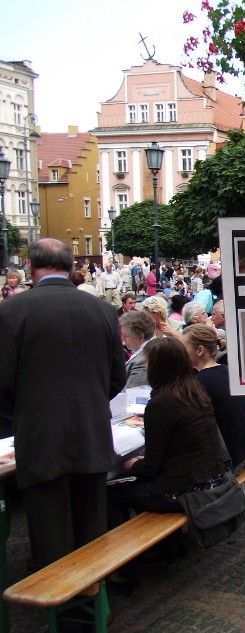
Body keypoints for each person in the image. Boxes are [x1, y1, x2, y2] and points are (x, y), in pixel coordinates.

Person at [0, 238, 126, 570]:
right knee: (92, 532)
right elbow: (117, 377)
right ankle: (94, 609)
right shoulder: (100, 309)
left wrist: (30, 412)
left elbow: (4, 384)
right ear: (72, 268)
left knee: (50, 536)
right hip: (92, 435)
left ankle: (62, 615)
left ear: (30, 268)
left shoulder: (12, 311)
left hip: (40, 439)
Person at [108, 337, 230, 526]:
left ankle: (138, 551)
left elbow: (151, 467)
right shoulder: (193, 390)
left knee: (111, 493)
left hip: (188, 490)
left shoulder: (162, 403)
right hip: (212, 478)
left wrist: (133, 466)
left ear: (158, 367)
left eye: (148, 364)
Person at [181, 324, 245, 473]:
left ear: (199, 350)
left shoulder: (198, 383)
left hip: (224, 466)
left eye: (183, 349)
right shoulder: (228, 372)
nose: (181, 354)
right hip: (240, 457)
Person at [120, 310, 156, 389]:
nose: (123, 340)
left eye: (126, 336)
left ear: (140, 336)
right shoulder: (147, 352)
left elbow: (132, 395)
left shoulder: (142, 361)